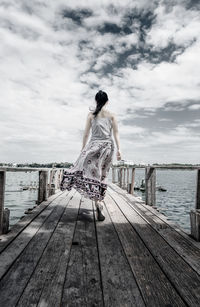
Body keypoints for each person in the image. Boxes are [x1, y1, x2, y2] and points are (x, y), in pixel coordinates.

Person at [60, 90, 122, 221]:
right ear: (107, 101)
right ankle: (99, 201)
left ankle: (97, 202)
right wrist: (119, 150)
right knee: (101, 175)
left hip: (93, 146)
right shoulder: (112, 115)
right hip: (107, 148)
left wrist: (83, 149)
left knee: (89, 173)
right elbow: (116, 133)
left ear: (96, 101)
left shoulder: (91, 115)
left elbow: (86, 134)